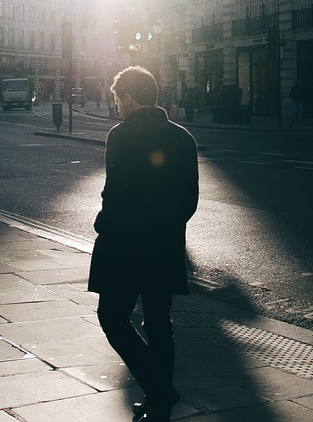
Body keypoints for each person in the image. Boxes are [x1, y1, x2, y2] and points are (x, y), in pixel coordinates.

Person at [88, 66, 199, 422]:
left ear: (130, 99)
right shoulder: (183, 137)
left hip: (126, 247)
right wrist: (166, 226)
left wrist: (103, 225)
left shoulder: (121, 135)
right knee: (158, 321)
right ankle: (159, 404)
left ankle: (160, 390)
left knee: (112, 318)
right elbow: (190, 201)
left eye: (118, 99)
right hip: (165, 245)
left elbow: (115, 194)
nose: (117, 106)